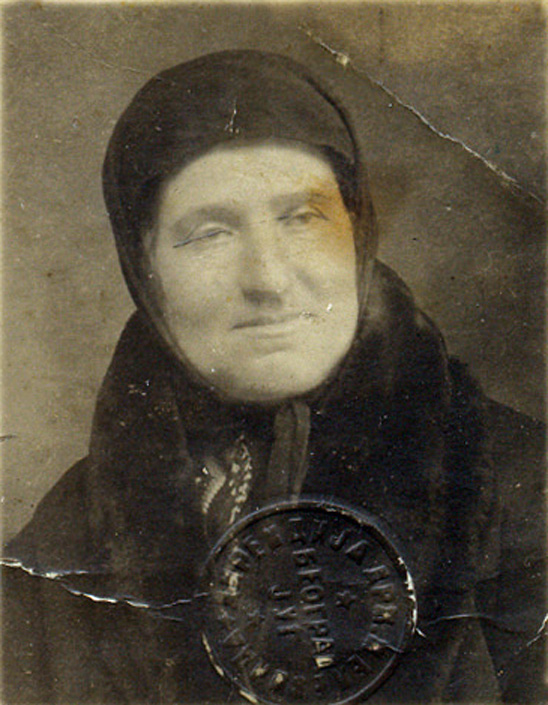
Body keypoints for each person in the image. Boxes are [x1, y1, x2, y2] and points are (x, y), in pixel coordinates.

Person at [2, 50, 545, 704]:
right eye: (209, 233)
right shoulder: (61, 549)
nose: (268, 278)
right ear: (145, 271)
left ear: (358, 233)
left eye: (303, 217)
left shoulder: (521, 485)